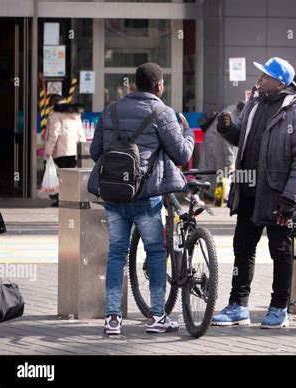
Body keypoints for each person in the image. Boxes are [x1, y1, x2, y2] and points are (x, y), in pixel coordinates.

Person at [212, 57, 296, 329]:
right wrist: (228, 129)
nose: (258, 81)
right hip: (248, 191)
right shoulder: (254, 104)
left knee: (280, 251)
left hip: (279, 196)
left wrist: (290, 200)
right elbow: (245, 142)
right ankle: (237, 306)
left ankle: (279, 308)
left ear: (280, 83)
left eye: (264, 77)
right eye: (260, 76)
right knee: (242, 249)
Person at [89, 63, 195, 335]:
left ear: (133, 85)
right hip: (146, 199)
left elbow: (95, 151)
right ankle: (157, 316)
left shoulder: (110, 110)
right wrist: (188, 133)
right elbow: (181, 155)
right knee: (156, 253)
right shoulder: (163, 112)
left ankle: (113, 319)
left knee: (116, 254)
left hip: (114, 196)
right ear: (159, 86)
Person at [44, 99, 86, 207]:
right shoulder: (75, 113)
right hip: (73, 150)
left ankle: (61, 200)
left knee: (60, 177)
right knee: (70, 177)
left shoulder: (56, 114)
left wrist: (49, 150)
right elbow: (80, 132)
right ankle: (70, 200)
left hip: (60, 150)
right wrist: (83, 148)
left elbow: (54, 133)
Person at [199, 101, 245, 199]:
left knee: (212, 169)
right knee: (221, 170)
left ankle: (211, 194)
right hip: (216, 142)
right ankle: (214, 195)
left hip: (214, 140)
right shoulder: (233, 115)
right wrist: (230, 162)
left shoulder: (232, 109)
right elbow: (229, 143)